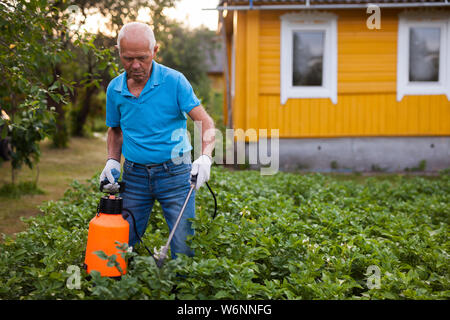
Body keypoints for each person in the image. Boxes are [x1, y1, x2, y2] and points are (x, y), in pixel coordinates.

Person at [100, 22, 215, 259]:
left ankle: (179, 292)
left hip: (175, 174)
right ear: (118, 52)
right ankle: (118, 290)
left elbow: (205, 122)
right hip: (134, 176)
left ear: (155, 51)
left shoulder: (174, 81)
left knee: (182, 246)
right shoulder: (115, 89)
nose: (135, 65)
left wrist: (205, 157)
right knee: (123, 243)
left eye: (142, 58)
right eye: (128, 58)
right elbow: (115, 130)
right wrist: (112, 161)